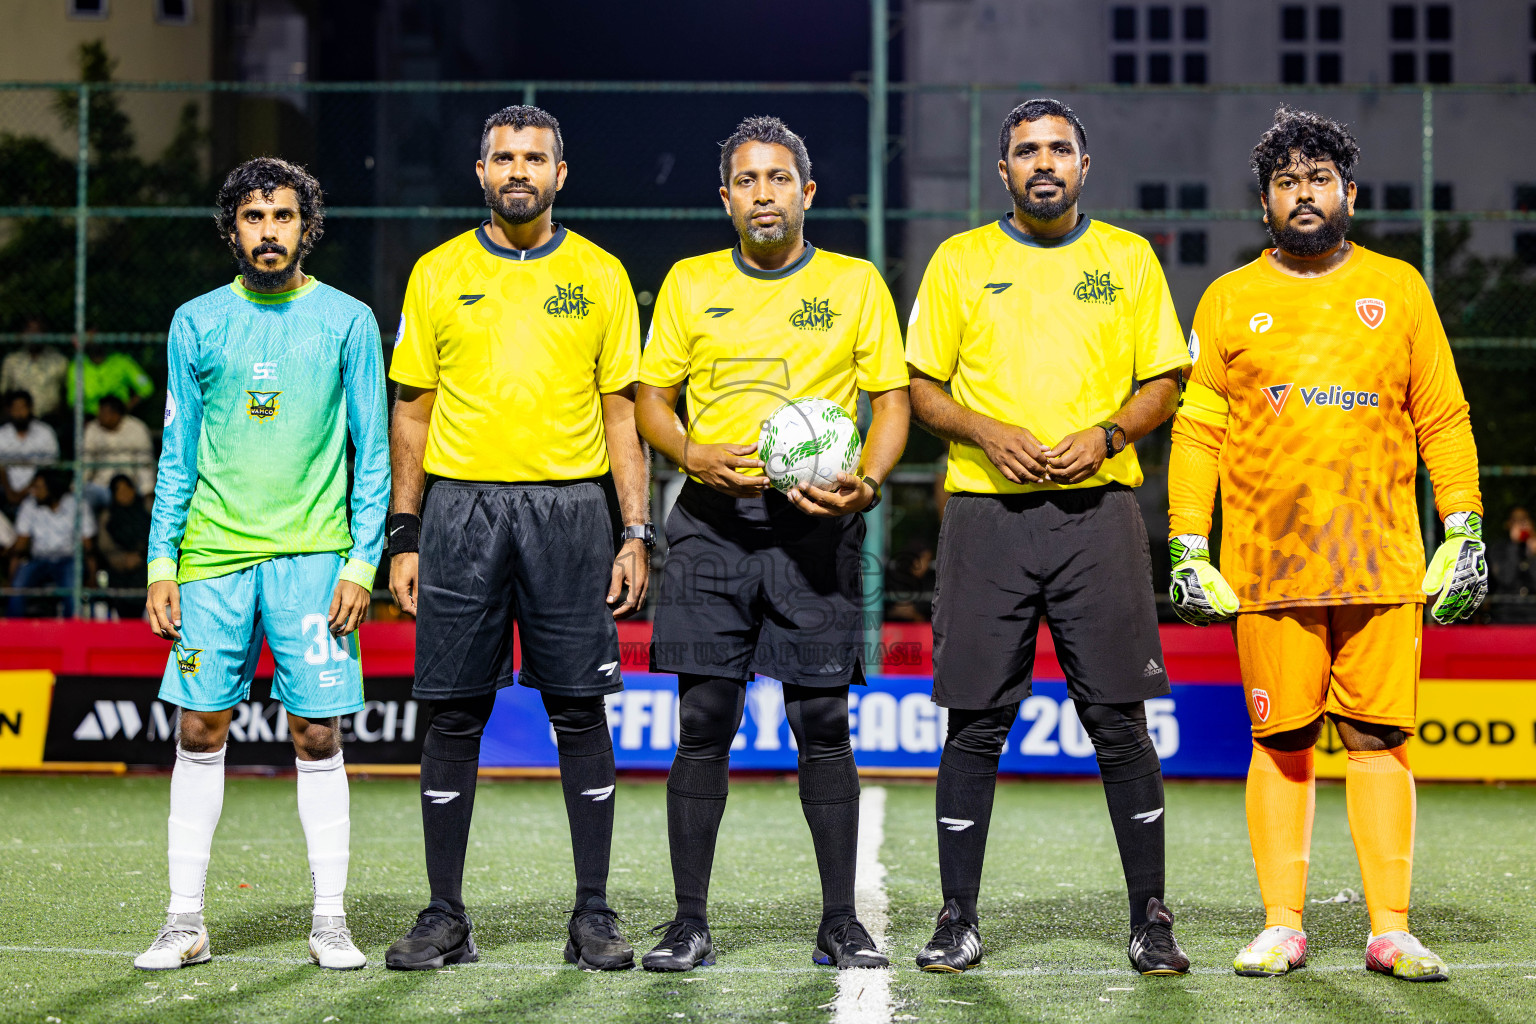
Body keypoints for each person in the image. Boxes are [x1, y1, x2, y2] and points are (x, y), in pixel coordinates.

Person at [1167, 107, 1484, 983]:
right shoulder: (1230, 298)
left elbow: (1444, 419)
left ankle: (1392, 930)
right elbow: (1197, 433)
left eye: (1316, 179)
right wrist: (1189, 545)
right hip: (1267, 570)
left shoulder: (1403, 289)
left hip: (1381, 565)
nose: (1300, 195)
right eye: (1283, 182)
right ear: (1263, 203)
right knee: (1282, 745)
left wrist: (1464, 527)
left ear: (1348, 191)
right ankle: (1282, 925)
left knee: (1381, 740)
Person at [904, 98, 1191, 976]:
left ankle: (1151, 919)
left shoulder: (1128, 258)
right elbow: (922, 387)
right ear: (1003, 172)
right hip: (986, 519)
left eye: (1058, 149)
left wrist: (1105, 435)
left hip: (1098, 517)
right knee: (975, 723)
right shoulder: (960, 261)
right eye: (1026, 150)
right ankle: (958, 918)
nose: (1043, 162)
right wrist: (987, 432)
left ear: (1083, 165)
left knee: (1117, 720)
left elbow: (1164, 382)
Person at [635, 115, 909, 972]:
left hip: (817, 528)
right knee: (703, 718)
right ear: (726, 198)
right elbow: (651, 399)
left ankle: (839, 923)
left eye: (779, 178)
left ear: (807, 192)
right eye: (748, 181)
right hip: (712, 527)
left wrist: (865, 480)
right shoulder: (688, 282)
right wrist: (691, 453)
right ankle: (689, 923)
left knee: (821, 719)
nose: (764, 194)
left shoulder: (856, 282)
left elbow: (891, 402)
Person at [384, 105, 649, 973]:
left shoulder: (603, 275)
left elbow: (621, 413)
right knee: (454, 712)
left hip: (572, 512)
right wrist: (405, 533)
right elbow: (412, 413)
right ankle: (444, 917)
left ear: (560, 173)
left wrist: (634, 530)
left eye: (534, 157)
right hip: (461, 511)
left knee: (579, 711)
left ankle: (594, 917)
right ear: (482, 172)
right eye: (503, 157)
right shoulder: (436, 272)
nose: (518, 170)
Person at [136, 157, 389, 972]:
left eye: (283, 216)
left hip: (315, 560)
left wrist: (361, 563)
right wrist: (159, 562)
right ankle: (185, 922)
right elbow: (175, 451)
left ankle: (330, 920)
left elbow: (373, 454)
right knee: (200, 727)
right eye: (253, 217)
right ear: (232, 228)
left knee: (317, 734)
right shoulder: (195, 322)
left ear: (307, 227)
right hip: (211, 556)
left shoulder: (348, 320)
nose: (269, 231)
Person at [8, 468, 93, 617]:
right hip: (38, 559)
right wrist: (13, 576)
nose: (34, 492)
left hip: (68, 559)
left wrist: (92, 576)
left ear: (53, 489)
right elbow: (20, 545)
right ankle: (14, 634)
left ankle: (73, 632)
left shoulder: (77, 504)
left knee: (71, 589)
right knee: (18, 586)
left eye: (39, 488)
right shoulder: (29, 505)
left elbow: (87, 544)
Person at [81, 394, 156, 508]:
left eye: (103, 412)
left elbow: (144, 463)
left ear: (115, 414)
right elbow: (86, 462)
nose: (98, 415)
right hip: (102, 487)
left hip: (130, 488)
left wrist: (147, 490)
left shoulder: (137, 428)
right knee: (83, 496)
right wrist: (77, 486)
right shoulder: (92, 429)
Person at [97, 473, 151, 618]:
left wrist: (140, 555)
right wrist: (122, 560)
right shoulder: (108, 515)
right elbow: (105, 545)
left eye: (127, 489)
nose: (124, 494)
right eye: (119, 491)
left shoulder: (147, 509)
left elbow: (157, 535)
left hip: (145, 561)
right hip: (119, 567)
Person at [0, 390, 61, 517]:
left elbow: (48, 467)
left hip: (37, 488)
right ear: (9, 410)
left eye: (23, 408)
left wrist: (26, 491)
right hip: (7, 491)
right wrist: (10, 492)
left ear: (30, 408)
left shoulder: (45, 432)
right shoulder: (2, 434)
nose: (19, 413)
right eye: (15, 408)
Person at [67, 340, 155, 417]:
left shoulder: (121, 361)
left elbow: (146, 387)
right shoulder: (77, 366)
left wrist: (124, 410)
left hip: (119, 417)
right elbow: (73, 401)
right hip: (91, 418)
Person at [1, 320, 68, 420]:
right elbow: (3, 393)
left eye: (38, 331)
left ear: (45, 334)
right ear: (23, 333)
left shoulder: (59, 361)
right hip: (19, 420)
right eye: (30, 330)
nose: (34, 335)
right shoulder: (12, 361)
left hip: (50, 418)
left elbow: (65, 392)